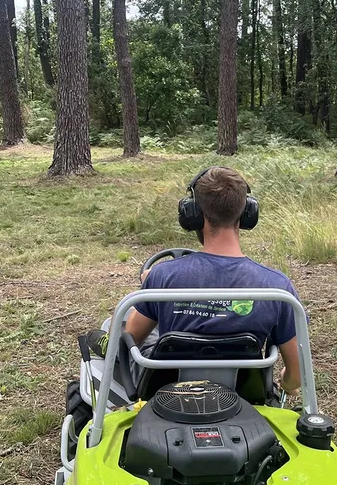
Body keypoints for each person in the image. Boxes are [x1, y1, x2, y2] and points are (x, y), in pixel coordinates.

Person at [124, 167, 302, 396]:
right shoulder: (278, 288)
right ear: (248, 213)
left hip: (168, 398)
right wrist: (287, 385)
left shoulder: (161, 277)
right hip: (242, 400)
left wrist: (151, 290)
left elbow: (131, 341)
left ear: (193, 214)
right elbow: (297, 373)